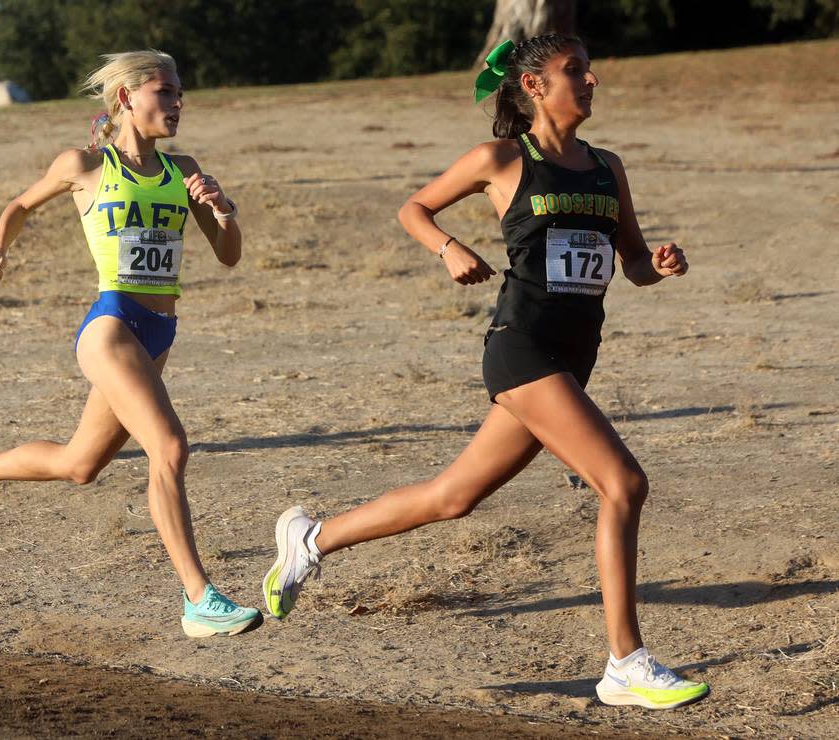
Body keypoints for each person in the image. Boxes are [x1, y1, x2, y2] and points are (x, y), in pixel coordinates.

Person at [262, 35, 709, 709]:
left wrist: (661, 266)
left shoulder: (606, 167)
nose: (591, 79)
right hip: (522, 348)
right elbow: (413, 208)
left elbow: (634, 264)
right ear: (533, 85)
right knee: (623, 484)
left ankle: (314, 537)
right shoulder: (503, 158)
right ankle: (626, 661)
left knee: (452, 497)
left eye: (588, 69)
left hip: (573, 358)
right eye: (574, 71)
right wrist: (447, 248)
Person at [0, 50, 261, 638]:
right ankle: (199, 598)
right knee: (170, 448)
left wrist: (223, 211)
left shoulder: (184, 171)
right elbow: (20, 205)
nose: (177, 103)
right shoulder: (85, 165)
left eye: (179, 93)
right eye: (165, 92)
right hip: (111, 325)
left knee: (80, 464)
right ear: (126, 98)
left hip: (160, 332)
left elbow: (229, 256)